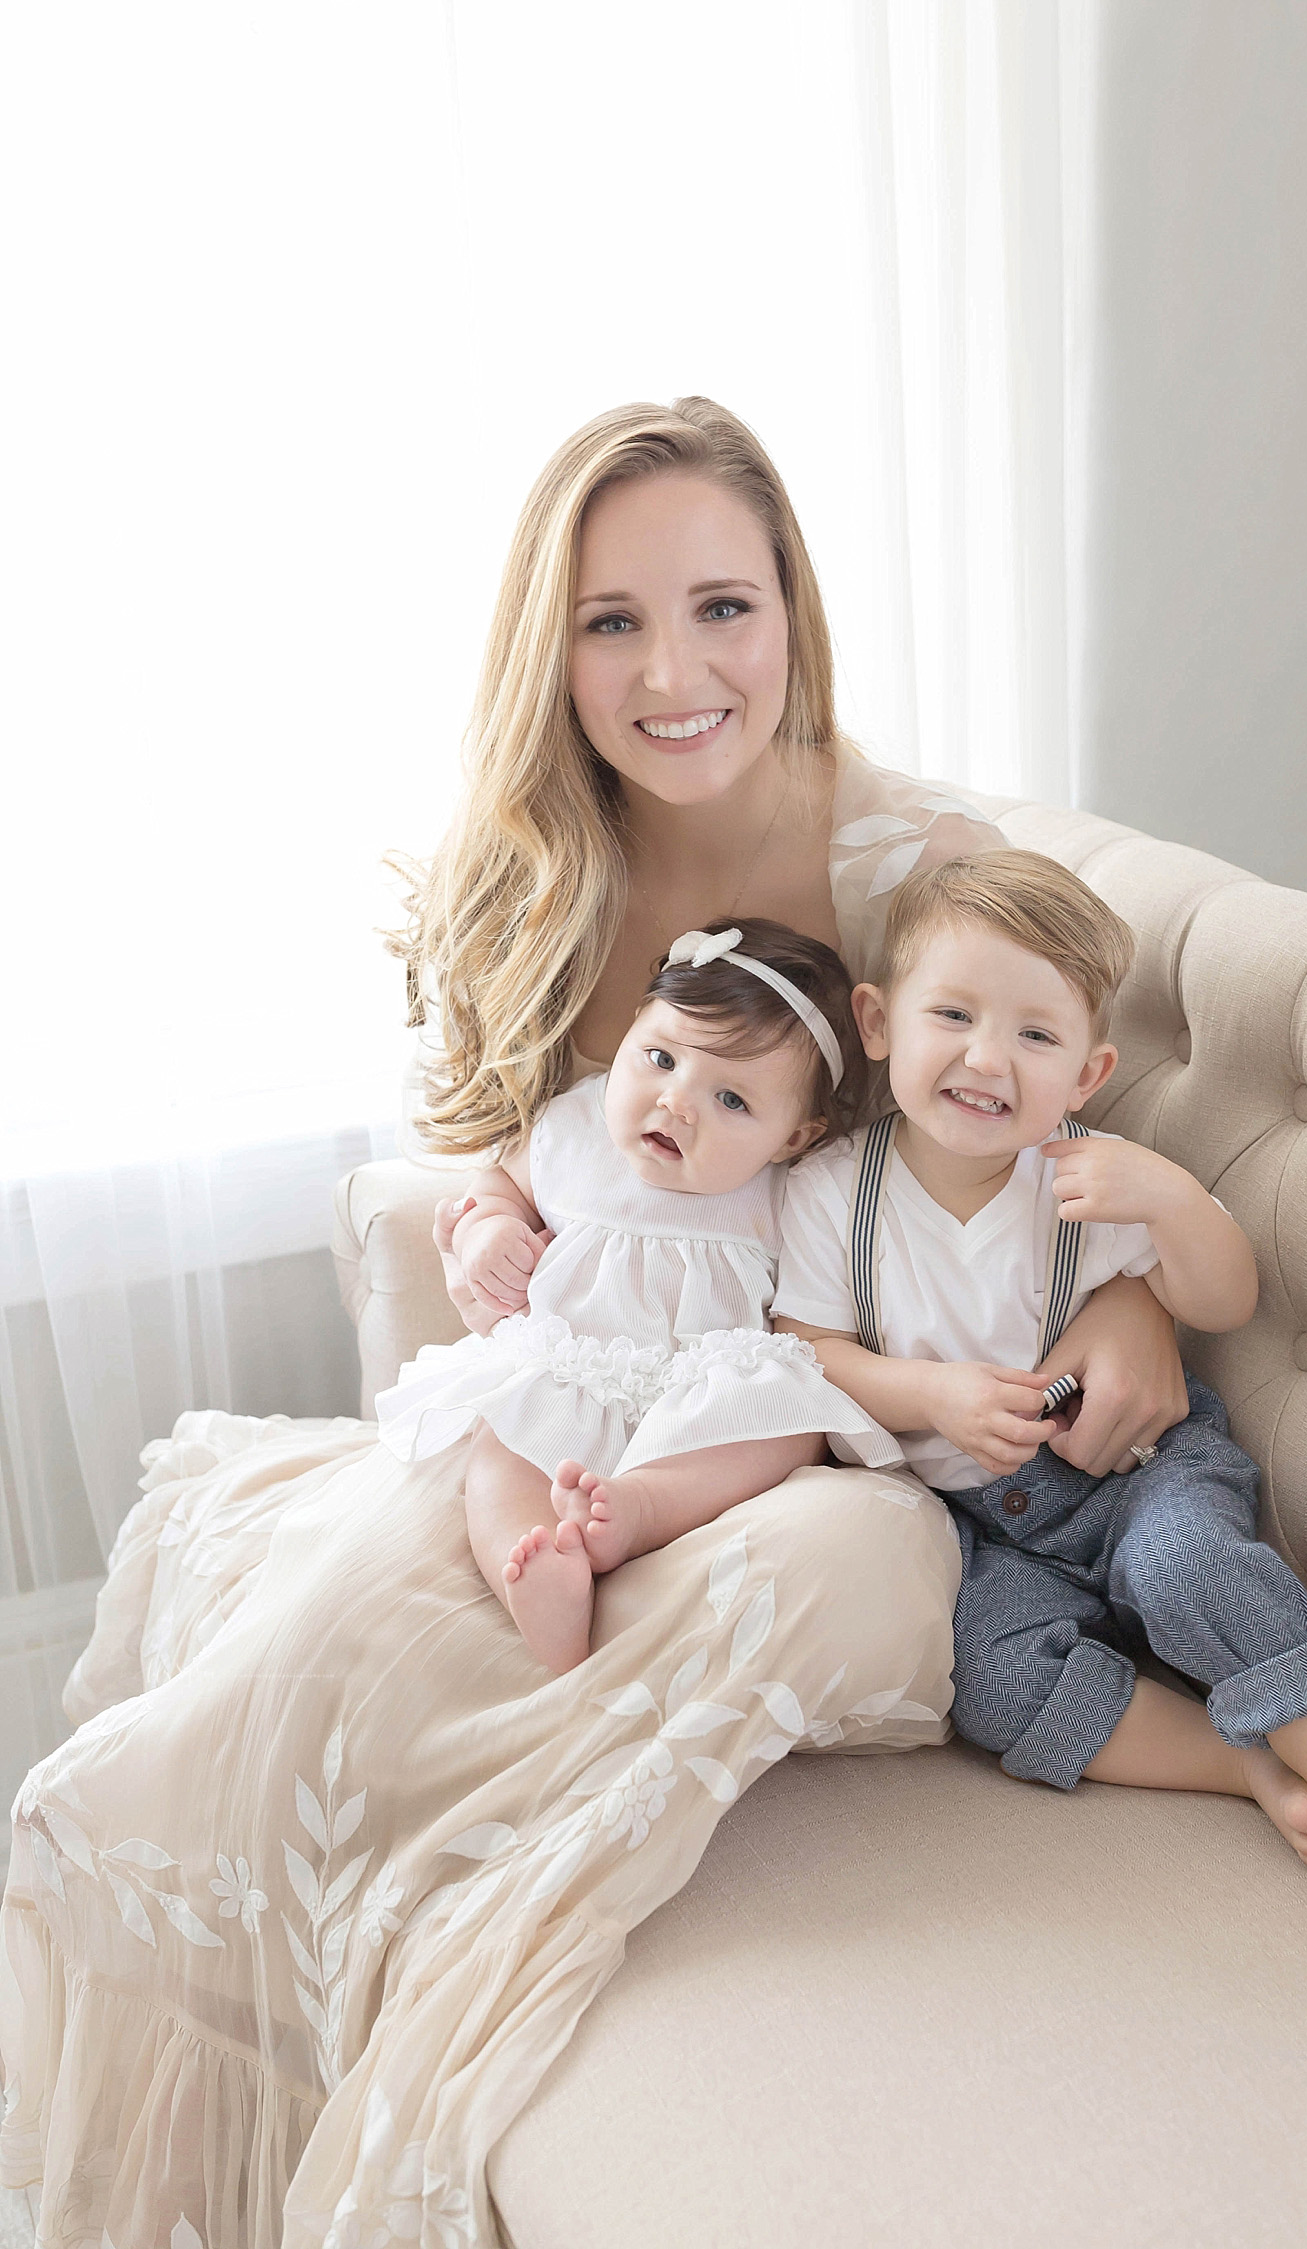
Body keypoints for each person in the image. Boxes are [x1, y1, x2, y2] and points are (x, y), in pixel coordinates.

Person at [0, 398, 1191, 2246]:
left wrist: (1145, 1322)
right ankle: (287, 1896)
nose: (675, 669)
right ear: (551, 653)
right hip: (589, 1392)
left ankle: (507, 1841)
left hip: (815, 1427)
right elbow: (505, 1143)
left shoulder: (907, 869)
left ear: (791, 607)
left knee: (825, 1548)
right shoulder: (543, 864)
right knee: (381, 1594)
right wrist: (485, 1209)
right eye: (613, 621)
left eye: (722, 603)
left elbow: (1049, 1133)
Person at [773, 849, 1307, 1908]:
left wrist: (1172, 1199)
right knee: (989, 1676)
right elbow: (809, 1350)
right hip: (977, 1521)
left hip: (1135, 1472)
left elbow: (1222, 1298)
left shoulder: (1086, 1173)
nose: (987, 1059)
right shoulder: (831, 1192)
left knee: (1187, 1562)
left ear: (1086, 1072)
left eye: (1035, 1034)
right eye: (951, 1015)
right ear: (877, 1022)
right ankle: (1247, 1767)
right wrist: (933, 1396)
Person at [377, 919, 900, 1670]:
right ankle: (540, 1571)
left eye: (732, 1099)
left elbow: (839, 1289)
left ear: (794, 1136)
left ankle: (641, 1506)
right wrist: (486, 1231)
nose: (677, 1103)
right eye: (660, 1058)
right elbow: (497, 1188)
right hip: (573, 1374)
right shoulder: (572, 1128)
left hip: (704, 1390)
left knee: (790, 1425)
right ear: (629, 1033)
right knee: (502, 1454)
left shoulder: (794, 1190)